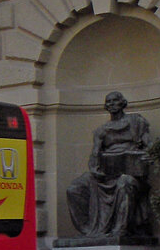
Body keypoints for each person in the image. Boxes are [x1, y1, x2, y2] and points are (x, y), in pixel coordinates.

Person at [65, 91, 153, 238]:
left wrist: (145, 157)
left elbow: (150, 146)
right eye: (108, 102)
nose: (111, 104)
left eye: (115, 100)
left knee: (125, 183)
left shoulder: (136, 122)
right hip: (106, 174)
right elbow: (95, 155)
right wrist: (95, 169)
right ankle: (88, 229)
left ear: (122, 103)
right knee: (74, 189)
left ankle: (120, 230)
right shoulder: (101, 130)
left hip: (130, 173)